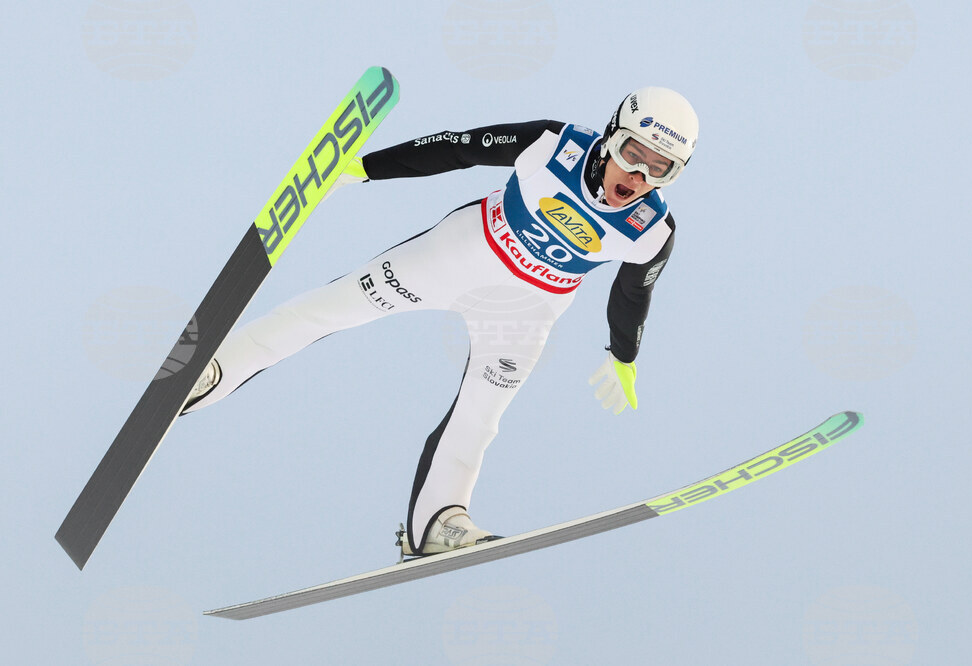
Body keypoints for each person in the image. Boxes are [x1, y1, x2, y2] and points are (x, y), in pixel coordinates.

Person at [182, 87, 699, 557]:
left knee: (482, 413)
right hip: (457, 257)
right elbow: (457, 147)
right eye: (634, 155)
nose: (638, 179)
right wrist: (363, 168)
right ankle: (214, 371)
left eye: (662, 169)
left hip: (524, 313)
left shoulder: (652, 229)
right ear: (612, 137)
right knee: (331, 307)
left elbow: (632, 295)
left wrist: (623, 356)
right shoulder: (551, 144)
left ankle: (437, 521)